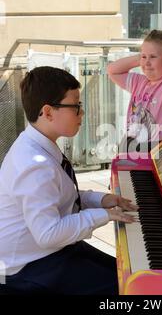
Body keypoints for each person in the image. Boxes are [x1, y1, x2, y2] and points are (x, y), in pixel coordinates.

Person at [0, 66, 137, 295]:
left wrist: (102, 200)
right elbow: (47, 234)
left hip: (51, 251)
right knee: (128, 290)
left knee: (129, 276)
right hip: (28, 269)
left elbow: (60, 196)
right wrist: (104, 215)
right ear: (48, 112)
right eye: (76, 106)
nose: (82, 114)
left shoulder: (38, 144)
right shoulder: (33, 164)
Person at [107, 29, 162, 153]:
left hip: (157, 150)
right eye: (143, 56)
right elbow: (112, 70)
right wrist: (140, 58)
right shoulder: (139, 82)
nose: (146, 63)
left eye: (153, 57)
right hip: (131, 146)